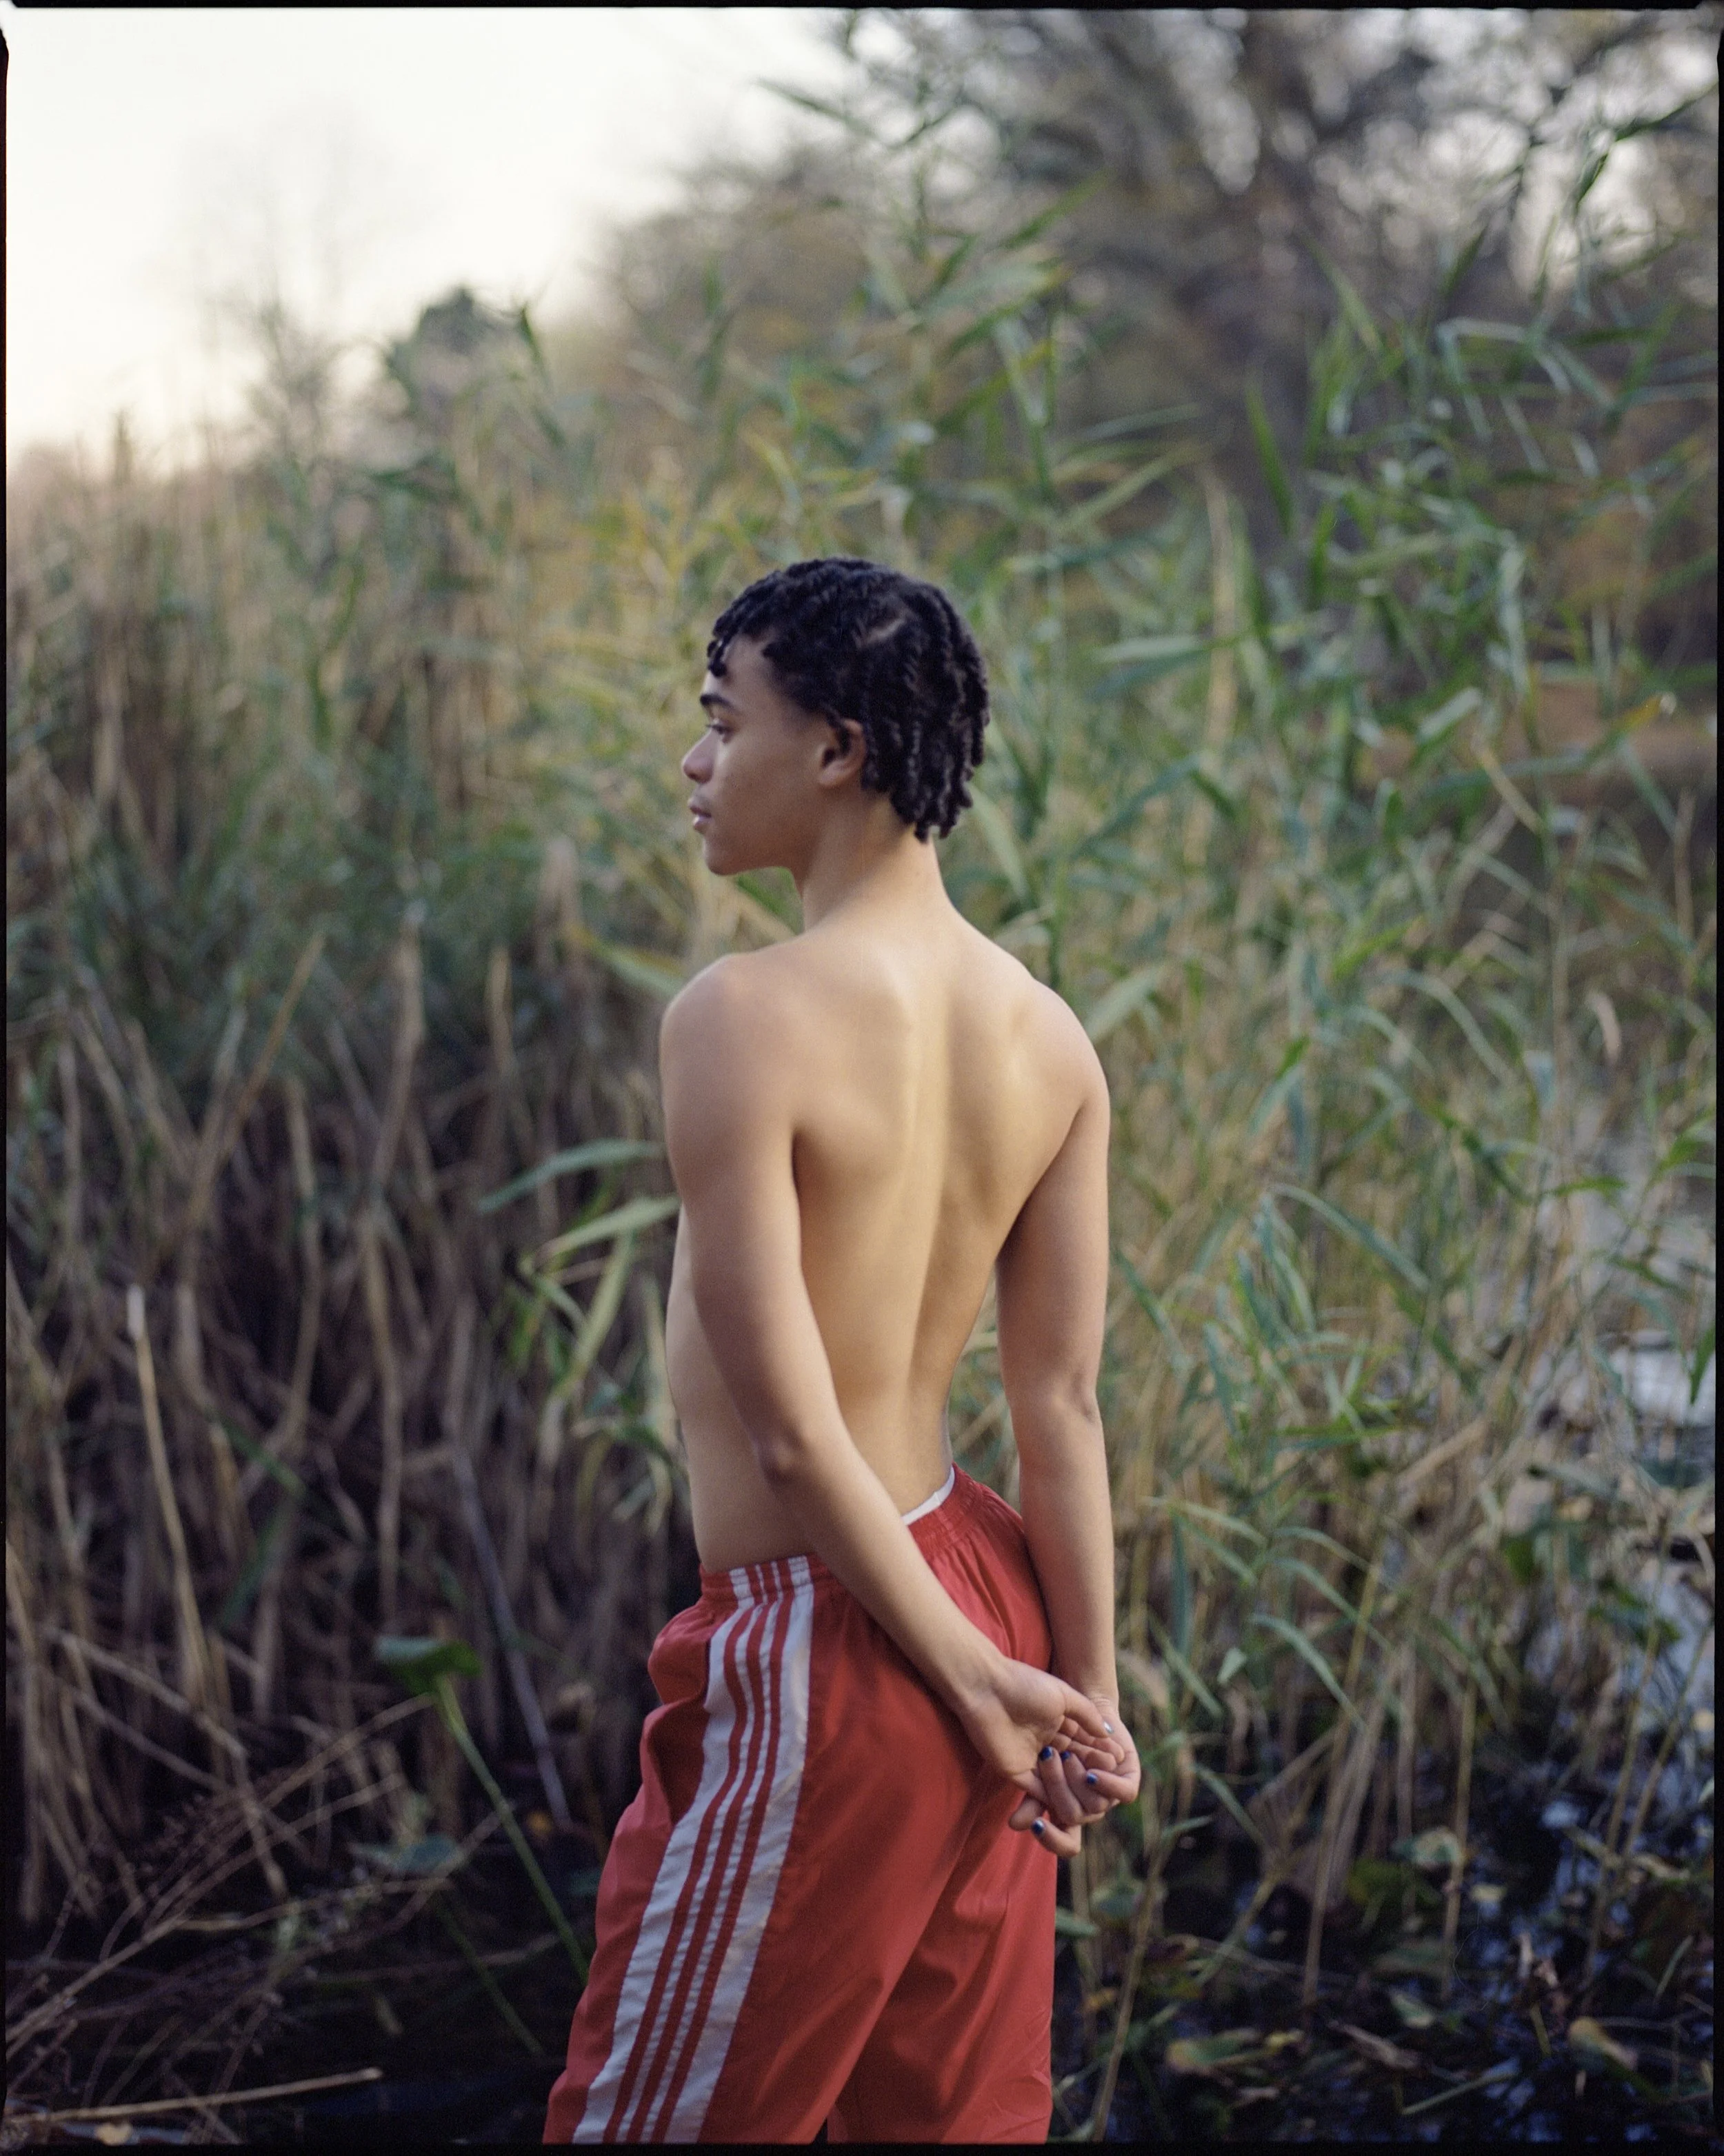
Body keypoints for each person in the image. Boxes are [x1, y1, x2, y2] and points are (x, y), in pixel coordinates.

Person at [543, 558, 1140, 2145]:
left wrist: (972, 1687)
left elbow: (796, 1444)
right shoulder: (1047, 1033)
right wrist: (1074, 1690)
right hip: (986, 1594)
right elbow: (1059, 1410)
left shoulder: (740, 1016)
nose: (692, 763)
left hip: (838, 1638)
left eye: (717, 721)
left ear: (835, 751)